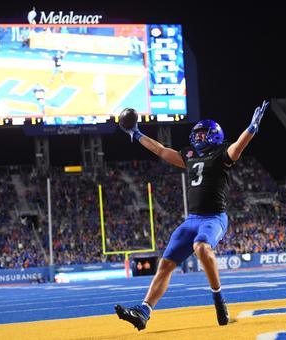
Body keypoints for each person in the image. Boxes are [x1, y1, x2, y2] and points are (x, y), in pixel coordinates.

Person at [114, 100, 270, 331]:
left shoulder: (221, 152)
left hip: (214, 218)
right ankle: (144, 311)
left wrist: (250, 130)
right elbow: (160, 149)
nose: (197, 138)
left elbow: (237, 148)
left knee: (201, 247)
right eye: (195, 134)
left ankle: (218, 299)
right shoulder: (188, 155)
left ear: (214, 135)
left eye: (202, 134)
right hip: (192, 220)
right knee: (165, 264)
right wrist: (136, 133)